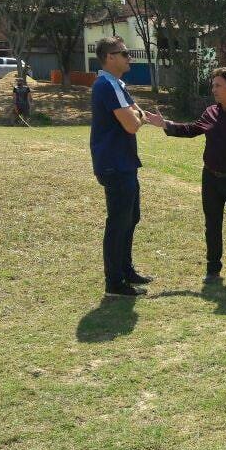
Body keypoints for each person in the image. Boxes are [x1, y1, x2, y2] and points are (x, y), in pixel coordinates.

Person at [145, 68, 226, 284]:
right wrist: (165, 124)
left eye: (218, 85)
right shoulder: (210, 112)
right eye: (213, 85)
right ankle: (213, 270)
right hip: (211, 179)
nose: (213, 89)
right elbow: (191, 129)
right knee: (212, 224)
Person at [91, 36, 155, 297]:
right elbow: (132, 123)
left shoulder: (117, 84)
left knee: (131, 217)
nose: (130, 57)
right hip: (114, 165)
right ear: (110, 57)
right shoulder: (107, 85)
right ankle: (114, 283)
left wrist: (137, 115)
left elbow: (138, 113)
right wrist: (138, 116)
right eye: (124, 53)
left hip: (124, 163)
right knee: (118, 221)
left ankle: (125, 270)